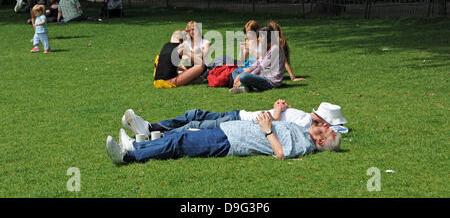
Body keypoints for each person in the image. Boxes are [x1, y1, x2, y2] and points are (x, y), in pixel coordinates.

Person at [106, 110, 341, 165]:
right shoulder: (303, 132)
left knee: (179, 143)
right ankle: (137, 145)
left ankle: (129, 157)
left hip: (230, 142)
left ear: (320, 141)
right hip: (230, 131)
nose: (325, 126)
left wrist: (268, 128)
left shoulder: (304, 144)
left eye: (327, 130)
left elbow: (280, 153)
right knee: (185, 134)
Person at [120, 100, 348, 138]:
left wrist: (277, 110)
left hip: (244, 122)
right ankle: (151, 128)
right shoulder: (306, 118)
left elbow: (278, 128)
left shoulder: (306, 124)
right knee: (195, 116)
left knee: (195, 124)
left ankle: (152, 134)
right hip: (242, 115)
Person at [230, 25, 285, 93]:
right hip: (262, 76)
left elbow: (260, 67)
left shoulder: (275, 49)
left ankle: (243, 85)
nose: (258, 39)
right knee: (236, 71)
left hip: (270, 81)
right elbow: (257, 63)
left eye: (260, 36)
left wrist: (243, 76)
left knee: (243, 76)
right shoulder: (267, 47)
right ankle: (245, 86)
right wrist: (245, 72)